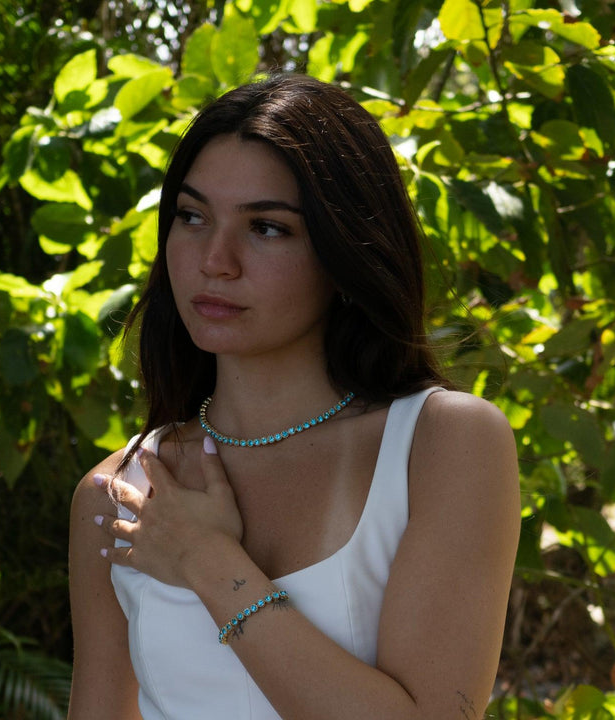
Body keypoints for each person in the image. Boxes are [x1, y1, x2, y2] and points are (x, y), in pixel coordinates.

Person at [67, 74, 520, 719]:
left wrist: (207, 561)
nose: (215, 260)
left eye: (267, 228)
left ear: (346, 253)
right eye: (192, 217)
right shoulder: (116, 496)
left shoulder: (442, 444)